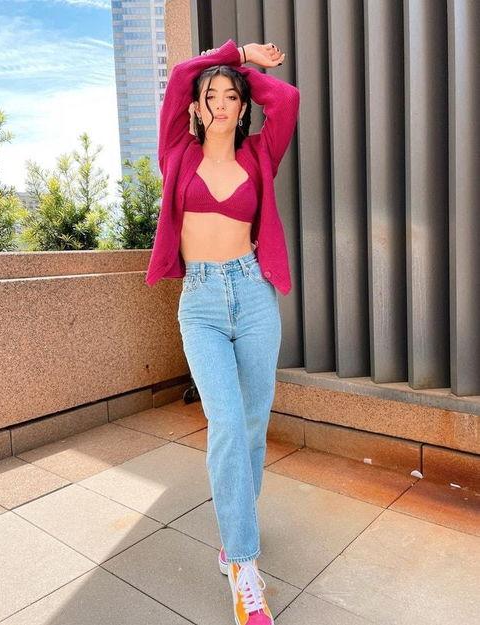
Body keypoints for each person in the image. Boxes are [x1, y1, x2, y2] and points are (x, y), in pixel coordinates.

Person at [146, 38, 300, 625]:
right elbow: (180, 76)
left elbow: (287, 101)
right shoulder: (176, 153)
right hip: (202, 304)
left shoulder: (259, 154)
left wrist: (246, 76)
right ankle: (243, 566)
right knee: (228, 425)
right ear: (196, 106)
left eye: (230, 97)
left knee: (254, 425)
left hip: (254, 295)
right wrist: (235, 55)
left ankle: (235, 530)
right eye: (210, 96)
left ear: (242, 107)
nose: (219, 103)